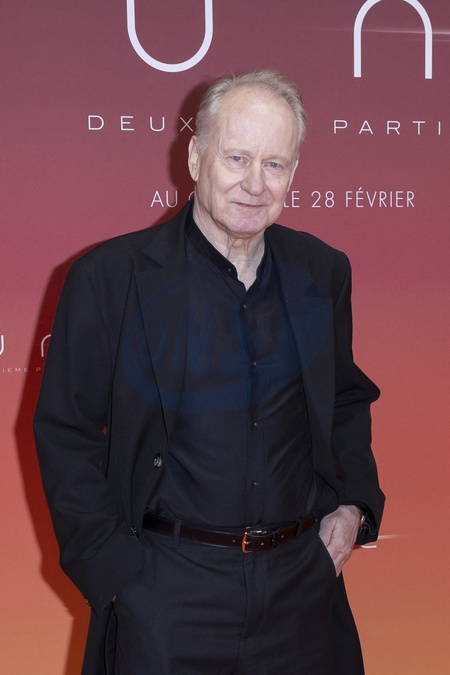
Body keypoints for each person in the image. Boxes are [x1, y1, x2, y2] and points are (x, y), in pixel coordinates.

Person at [34, 69, 384, 675]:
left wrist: (354, 504)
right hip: (166, 595)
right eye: (237, 158)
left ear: (294, 173)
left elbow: (346, 399)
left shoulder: (322, 272)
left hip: (301, 592)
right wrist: (118, 576)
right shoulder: (109, 279)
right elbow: (65, 432)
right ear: (197, 157)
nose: (255, 183)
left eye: (274, 164)